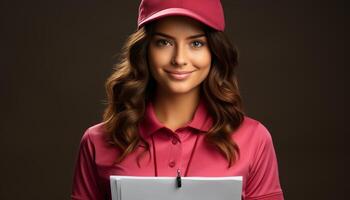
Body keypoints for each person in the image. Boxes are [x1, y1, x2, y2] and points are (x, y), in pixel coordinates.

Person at [71, 0, 284, 199]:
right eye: (164, 42)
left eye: (196, 43)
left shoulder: (254, 139)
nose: (180, 59)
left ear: (215, 51)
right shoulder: (97, 141)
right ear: (144, 51)